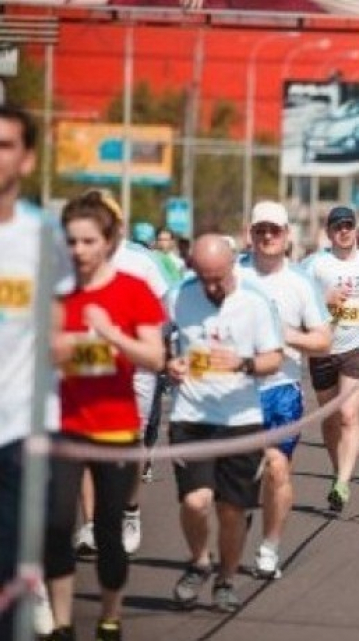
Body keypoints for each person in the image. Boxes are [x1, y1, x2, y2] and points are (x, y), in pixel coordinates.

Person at [48, 190, 166, 641]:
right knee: (57, 525)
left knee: (108, 532)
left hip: (116, 429)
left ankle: (109, 616)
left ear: (108, 242)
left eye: (87, 242)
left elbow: (154, 357)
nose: (78, 251)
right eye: (72, 242)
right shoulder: (58, 293)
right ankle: (61, 623)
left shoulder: (133, 290)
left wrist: (111, 334)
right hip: (66, 427)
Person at [166, 234, 283, 612]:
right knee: (196, 501)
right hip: (191, 416)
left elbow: (273, 359)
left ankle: (226, 579)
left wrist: (243, 364)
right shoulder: (179, 296)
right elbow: (157, 342)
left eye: (218, 277)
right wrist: (167, 364)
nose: (212, 287)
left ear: (233, 264)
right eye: (205, 278)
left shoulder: (255, 301)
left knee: (232, 509)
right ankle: (199, 561)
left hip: (240, 419)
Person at [0, 104, 72, 641]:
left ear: (26, 160)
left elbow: (59, 333)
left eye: (5, 145)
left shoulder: (43, 236)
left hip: (18, 430)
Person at [73, 195, 172, 559]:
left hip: (136, 367)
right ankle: (92, 523)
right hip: (90, 364)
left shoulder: (141, 260)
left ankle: (129, 511)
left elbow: (166, 309)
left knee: (127, 444)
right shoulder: (74, 257)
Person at [237, 201, 331, 579]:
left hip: (281, 391)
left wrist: (285, 335)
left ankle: (269, 547)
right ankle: (231, 542)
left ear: (287, 235)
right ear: (251, 233)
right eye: (260, 230)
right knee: (238, 479)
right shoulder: (232, 275)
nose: (267, 237)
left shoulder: (300, 282)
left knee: (277, 469)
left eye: (274, 230)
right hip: (235, 391)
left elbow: (323, 340)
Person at [302, 206, 359, 511]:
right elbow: (299, 298)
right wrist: (323, 299)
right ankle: (339, 470)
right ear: (328, 232)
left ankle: (342, 483)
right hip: (323, 346)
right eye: (338, 226)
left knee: (350, 415)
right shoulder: (314, 264)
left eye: (349, 225)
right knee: (331, 417)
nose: (344, 230)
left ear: (355, 228)